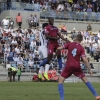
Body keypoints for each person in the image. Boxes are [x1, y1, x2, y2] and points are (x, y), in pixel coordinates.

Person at [56, 34, 100, 100]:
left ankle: (62, 98)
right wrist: (90, 69)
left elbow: (59, 48)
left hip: (69, 66)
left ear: (76, 38)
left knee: (60, 80)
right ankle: (96, 95)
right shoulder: (81, 48)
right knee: (86, 80)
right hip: (77, 66)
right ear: (81, 40)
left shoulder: (70, 44)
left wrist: (56, 52)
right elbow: (85, 59)